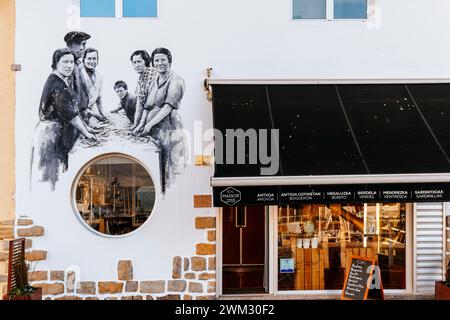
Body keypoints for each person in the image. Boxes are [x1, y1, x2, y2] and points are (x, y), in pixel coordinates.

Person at [32, 48, 97, 190]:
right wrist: (87, 133)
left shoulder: (58, 79)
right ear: (56, 63)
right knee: (50, 180)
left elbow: (72, 110)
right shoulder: (58, 85)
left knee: (54, 179)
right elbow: (72, 116)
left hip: (53, 132)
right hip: (50, 135)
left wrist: (87, 128)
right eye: (65, 62)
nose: (69, 66)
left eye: (72, 62)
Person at [133, 47, 186, 194]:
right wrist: (140, 126)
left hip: (170, 128)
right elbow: (147, 105)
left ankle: (169, 196)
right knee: (157, 164)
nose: (159, 63)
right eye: (156, 60)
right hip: (156, 130)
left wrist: (148, 125)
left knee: (169, 164)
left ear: (169, 61)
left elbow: (167, 108)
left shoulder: (176, 81)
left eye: (163, 59)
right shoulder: (156, 79)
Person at [64, 31, 98, 128]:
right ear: (69, 46)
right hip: (72, 122)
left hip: (82, 116)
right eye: (78, 44)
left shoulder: (77, 64)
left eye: (84, 44)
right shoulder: (68, 66)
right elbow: (69, 99)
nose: (82, 48)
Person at [128, 50, 157, 132]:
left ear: (146, 61)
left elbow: (149, 104)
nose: (137, 65)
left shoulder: (153, 74)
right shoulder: (141, 78)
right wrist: (135, 124)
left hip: (156, 112)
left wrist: (140, 125)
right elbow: (139, 103)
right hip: (147, 112)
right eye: (134, 62)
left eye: (139, 61)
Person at [81, 47, 108, 122]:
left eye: (94, 58)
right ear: (84, 60)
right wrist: (96, 115)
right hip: (77, 114)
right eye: (89, 58)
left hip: (90, 113)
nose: (92, 61)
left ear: (97, 60)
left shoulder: (99, 77)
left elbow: (98, 100)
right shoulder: (79, 74)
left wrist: (103, 115)